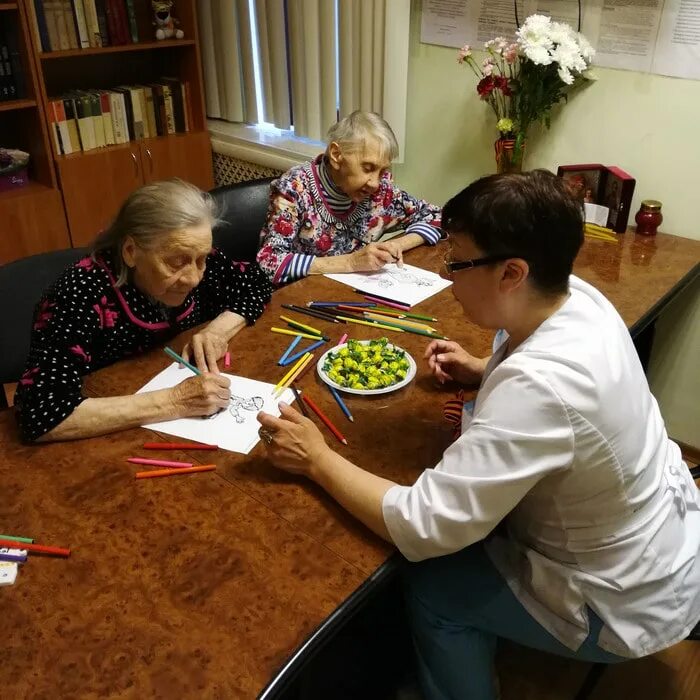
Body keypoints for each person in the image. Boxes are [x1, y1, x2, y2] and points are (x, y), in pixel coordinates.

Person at [256, 170, 700, 699]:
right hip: (663, 538)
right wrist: (486, 368)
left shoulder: (540, 388)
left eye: (457, 262)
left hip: (620, 597)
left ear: (512, 272)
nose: (447, 274)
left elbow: (423, 527)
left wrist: (316, 459)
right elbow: (549, 392)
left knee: (432, 586)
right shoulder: (577, 296)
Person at [15, 179, 272, 443]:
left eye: (202, 259)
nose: (194, 278)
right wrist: (174, 401)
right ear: (130, 251)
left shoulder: (193, 256)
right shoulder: (80, 292)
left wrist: (217, 330)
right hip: (108, 440)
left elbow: (256, 282)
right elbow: (40, 413)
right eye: (175, 262)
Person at [256, 110, 442, 284]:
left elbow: (440, 217)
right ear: (336, 155)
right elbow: (269, 261)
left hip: (352, 291)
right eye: (368, 168)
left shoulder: (381, 190)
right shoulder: (295, 187)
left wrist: (396, 245)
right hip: (299, 295)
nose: (375, 183)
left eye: (382, 170)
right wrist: (351, 263)